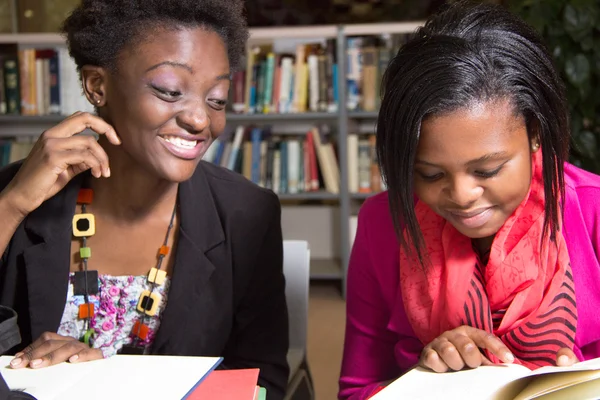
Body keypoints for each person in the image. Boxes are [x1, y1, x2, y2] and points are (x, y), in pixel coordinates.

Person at [0, 0, 289, 398]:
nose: (201, 119)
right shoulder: (13, 195)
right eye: (170, 91)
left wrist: (106, 380)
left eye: (217, 99)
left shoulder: (247, 213)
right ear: (97, 86)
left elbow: (262, 382)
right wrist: (11, 205)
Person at [339, 2, 600, 399]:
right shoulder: (382, 225)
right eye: (429, 174)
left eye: (488, 170)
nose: (461, 196)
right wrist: (425, 376)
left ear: (534, 133)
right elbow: (356, 391)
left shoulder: (593, 210)